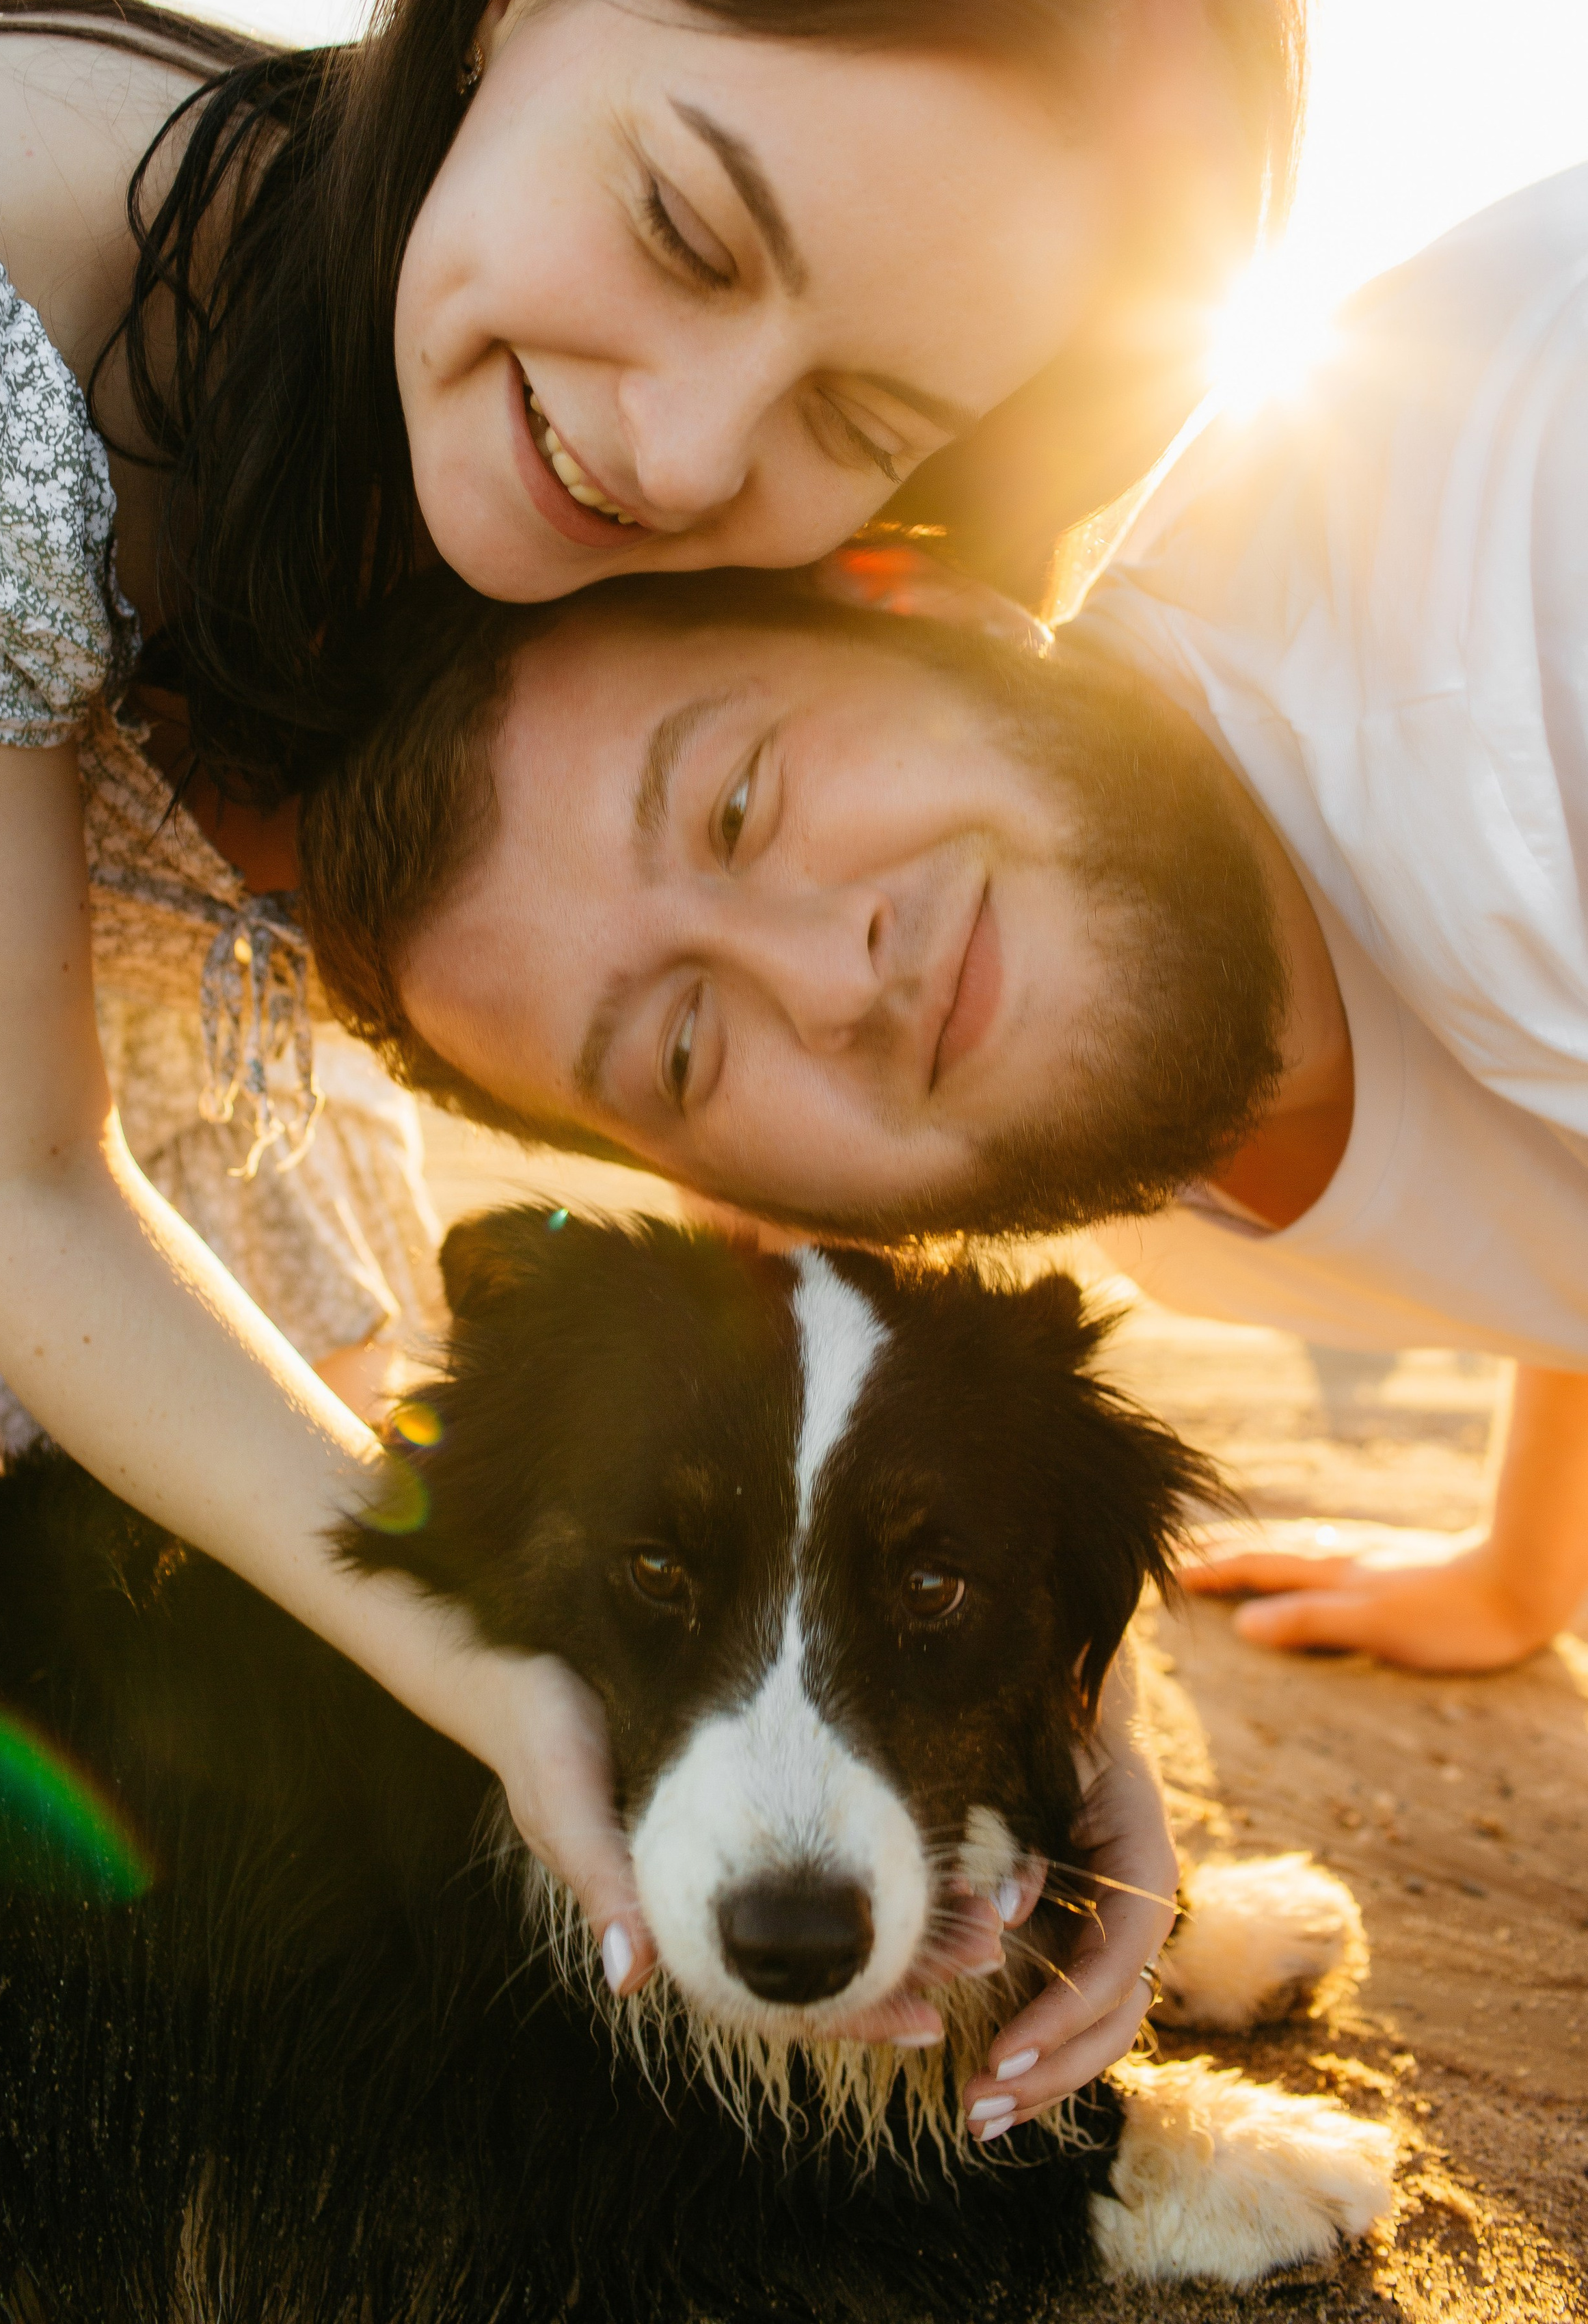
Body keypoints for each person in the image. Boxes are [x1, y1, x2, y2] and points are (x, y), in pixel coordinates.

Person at [0, 0, 1297, 2095]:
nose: (691, 446)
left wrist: (994, 1683)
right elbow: (17, 1169)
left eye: (855, 414)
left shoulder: (691, 542)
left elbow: (812, 1122)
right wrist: (494, 1684)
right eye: (690, 228)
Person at [302, 156, 1588, 1934]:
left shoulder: (1525, 549)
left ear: (932, 606)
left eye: (744, 801)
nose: (839, 980)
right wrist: (1528, 1563)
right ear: (733, 1192)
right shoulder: (1123, 1143)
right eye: (684, 1049)